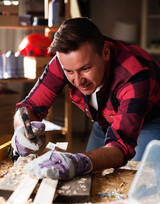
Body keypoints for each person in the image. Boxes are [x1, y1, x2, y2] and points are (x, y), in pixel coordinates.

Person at [11, 17, 160, 180]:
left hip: (149, 120)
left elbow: (121, 146)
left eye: (86, 68)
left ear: (105, 52)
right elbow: (29, 107)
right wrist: (21, 129)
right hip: (104, 118)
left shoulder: (134, 75)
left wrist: (78, 162)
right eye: (69, 72)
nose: (78, 80)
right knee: (91, 177)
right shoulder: (66, 61)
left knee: (141, 181)